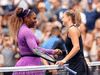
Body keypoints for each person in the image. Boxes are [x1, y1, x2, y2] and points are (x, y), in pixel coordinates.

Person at [8, 7, 62, 75]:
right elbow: (36, 49)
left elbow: (36, 47)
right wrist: (53, 52)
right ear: (27, 19)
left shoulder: (23, 29)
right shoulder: (27, 31)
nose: (36, 21)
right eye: (34, 18)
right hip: (29, 65)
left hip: (29, 64)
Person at [56, 9, 90, 75]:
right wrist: (62, 53)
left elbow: (77, 47)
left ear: (69, 18)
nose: (62, 19)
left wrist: (64, 60)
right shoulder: (72, 29)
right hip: (75, 65)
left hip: (78, 66)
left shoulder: (72, 29)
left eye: (63, 17)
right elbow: (74, 50)